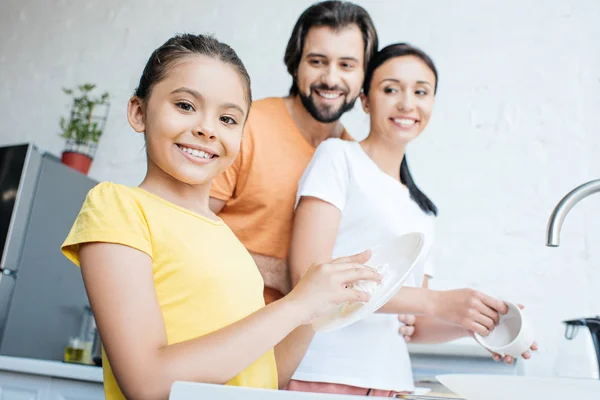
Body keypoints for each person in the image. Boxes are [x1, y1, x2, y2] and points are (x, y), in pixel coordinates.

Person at [60, 33, 382, 400]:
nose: (207, 128)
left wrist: (316, 311)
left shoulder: (229, 241)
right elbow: (148, 383)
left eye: (228, 118)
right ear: (138, 112)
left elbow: (265, 378)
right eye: (185, 105)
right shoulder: (117, 206)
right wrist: (296, 305)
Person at [287, 43, 538, 397]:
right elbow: (308, 278)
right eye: (391, 89)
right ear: (365, 100)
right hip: (325, 375)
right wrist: (438, 302)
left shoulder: (422, 210)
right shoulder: (337, 159)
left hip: (392, 384)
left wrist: (473, 323)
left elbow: (413, 325)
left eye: (421, 91)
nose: (407, 103)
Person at [209, 0, 378, 304]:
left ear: (365, 75)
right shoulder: (246, 126)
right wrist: (282, 273)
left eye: (347, 65)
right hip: (212, 321)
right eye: (317, 61)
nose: (330, 78)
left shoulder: (354, 159)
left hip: (297, 345)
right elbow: (180, 224)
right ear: (295, 63)